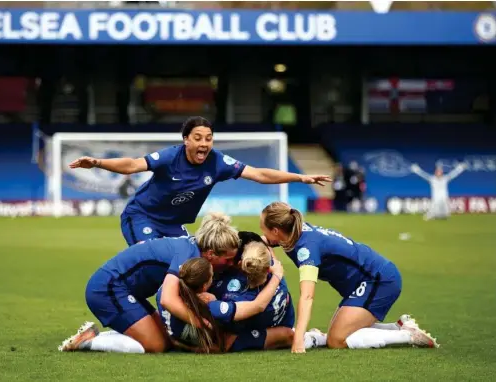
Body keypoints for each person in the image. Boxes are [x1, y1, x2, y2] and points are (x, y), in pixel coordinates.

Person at [69, 116, 332, 245]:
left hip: (173, 224)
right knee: (150, 259)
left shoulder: (218, 162)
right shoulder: (169, 157)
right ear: (186, 140)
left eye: (208, 138)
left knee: (190, 265)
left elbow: (260, 174)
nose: (204, 143)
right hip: (142, 217)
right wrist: (98, 162)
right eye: (198, 137)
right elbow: (132, 165)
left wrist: (300, 176)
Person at [259, 201, 440, 353]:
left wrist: (298, 339)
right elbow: (266, 240)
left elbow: (307, 296)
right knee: (339, 332)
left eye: (263, 227)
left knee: (337, 340)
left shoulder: (307, 249)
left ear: (276, 230)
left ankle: (408, 336)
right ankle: (398, 326)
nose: (262, 232)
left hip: (378, 280)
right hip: (368, 280)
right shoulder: (294, 233)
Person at [58, 212, 240, 354]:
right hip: (108, 288)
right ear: (210, 254)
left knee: (165, 339)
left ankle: (95, 335)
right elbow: (167, 299)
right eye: (228, 259)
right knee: (156, 345)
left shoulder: (191, 248)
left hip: (123, 289)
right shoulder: (188, 254)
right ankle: (90, 342)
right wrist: (202, 324)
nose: (231, 264)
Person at [156, 242, 326, 353]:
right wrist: (277, 276)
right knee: (288, 335)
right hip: (268, 320)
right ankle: (317, 338)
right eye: (211, 275)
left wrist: (177, 343)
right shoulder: (217, 307)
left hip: (179, 332)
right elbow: (256, 307)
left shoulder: (164, 293)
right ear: (203, 286)